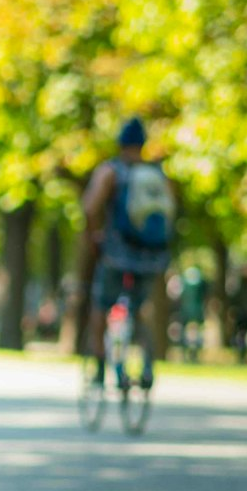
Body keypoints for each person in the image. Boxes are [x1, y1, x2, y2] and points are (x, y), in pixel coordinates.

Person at [81, 117, 174, 388]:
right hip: (151, 257)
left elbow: (90, 208)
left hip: (116, 254)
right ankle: (146, 363)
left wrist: (94, 237)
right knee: (139, 308)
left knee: (101, 305)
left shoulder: (112, 171)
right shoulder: (158, 174)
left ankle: (100, 367)